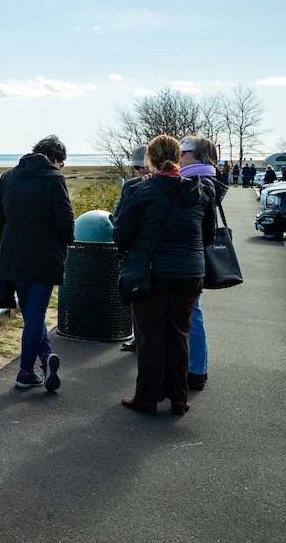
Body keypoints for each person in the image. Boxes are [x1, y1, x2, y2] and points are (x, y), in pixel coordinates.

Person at [113, 135, 215, 415]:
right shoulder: (201, 190)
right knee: (179, 334)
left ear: (150, 160)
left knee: (150, 337)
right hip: (190, 271)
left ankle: (147, 398)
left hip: (152, 272)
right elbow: (207, 234)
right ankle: (179, 399)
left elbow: (121, 235)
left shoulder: (140, 191)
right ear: (179, 158)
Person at [0, 135, 75, 392]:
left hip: (13, 255)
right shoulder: (54, 179)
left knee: (30, 313)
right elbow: (66, 222)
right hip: (44, 255)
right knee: (36, 313)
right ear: (57, 159)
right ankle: (25, 372)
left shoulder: (8, 178)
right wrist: (64, 243)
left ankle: (46, 358)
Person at [178, 135, 226, 391]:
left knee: (193, 313)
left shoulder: (199, 183)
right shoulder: (208, 179)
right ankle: (197, 367)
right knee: (194, 312)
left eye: (184, 150)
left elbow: (201, 230)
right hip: (196, 257)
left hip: (191, 258)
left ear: (199, 155)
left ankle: (196, 370)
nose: (179, 154)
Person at [116, 144, 149, 352]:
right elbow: (119, 214)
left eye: (143, 166)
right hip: (134, 250)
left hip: (146, 250)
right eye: (137, 168)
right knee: (136, 298)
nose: (141, 171)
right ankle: (139, 338)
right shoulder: (130, 186)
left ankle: (145, 342)